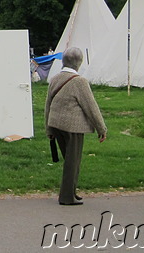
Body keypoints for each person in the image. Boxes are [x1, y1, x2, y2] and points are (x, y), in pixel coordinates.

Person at [44, 47, 107, 206]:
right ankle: (67, 197)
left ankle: (71, 192)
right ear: (79, 63)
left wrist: (49, 128)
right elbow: (91, 107)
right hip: (73, 127)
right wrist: (101, 128)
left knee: (69, 161)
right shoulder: (80, 82)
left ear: (63, 61)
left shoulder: (55, 79)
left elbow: (48, 105)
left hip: (56, 124)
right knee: (73, 162)